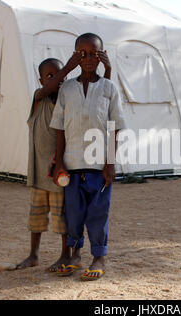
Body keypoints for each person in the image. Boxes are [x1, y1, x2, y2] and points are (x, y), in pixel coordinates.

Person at [16, 53, 112, 272]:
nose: (57, 79)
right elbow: (50, 87)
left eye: (60, 75)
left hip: (60, 171)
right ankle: (34, 255)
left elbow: (101, 105)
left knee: (64, 218)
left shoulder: (69, 98)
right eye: (50, 76)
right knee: (36, 216)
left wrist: (106, 72)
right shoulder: (38, 98)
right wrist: (68, 67)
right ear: (40, 80)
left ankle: (65, 255)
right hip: (39, 172)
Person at [50, 33, 126, 280]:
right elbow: (60, 127)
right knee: (73, 213)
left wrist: (111, 162)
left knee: (97, 213)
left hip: (99, 165)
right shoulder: (68, 89)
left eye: (94, 53)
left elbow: (115, 127)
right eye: (83, 54)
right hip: (71, 165)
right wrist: (59, 161)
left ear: (102, 56)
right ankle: (74, 255)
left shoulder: (108, 88)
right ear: (75, 56)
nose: (89, 58)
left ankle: (99, 257)